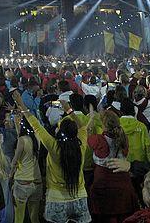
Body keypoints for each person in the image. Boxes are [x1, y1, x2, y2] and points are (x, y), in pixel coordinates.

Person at [11, 89, 90, 223]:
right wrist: (70, 111)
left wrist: (21, 104)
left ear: (61, 132)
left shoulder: (54, 146)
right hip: (80, 198)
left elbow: (35, 125)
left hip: (56, 199)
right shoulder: (81, 145)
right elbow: (82, 127)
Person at [8, 115, 42, 223]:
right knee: (34, 218)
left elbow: (15, 160)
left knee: (19, 217)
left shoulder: (22, 140)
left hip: (23, 182)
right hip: (37, 182)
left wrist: (10, 176)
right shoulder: (37, 138)